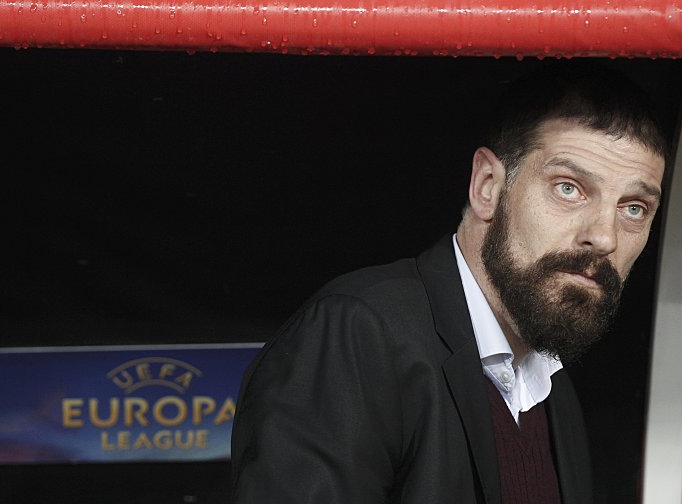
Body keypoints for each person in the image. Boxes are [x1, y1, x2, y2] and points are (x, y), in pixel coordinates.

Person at [230, 63, 668, 504]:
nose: (605, 237)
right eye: (568, 188)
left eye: (633, 208)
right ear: (487, 187)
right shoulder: (359, 336)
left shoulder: (552, 389)